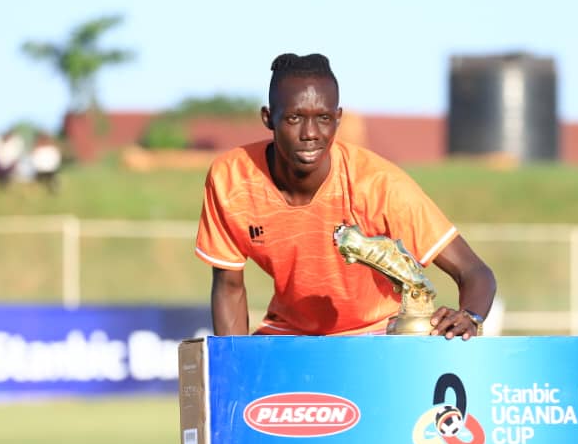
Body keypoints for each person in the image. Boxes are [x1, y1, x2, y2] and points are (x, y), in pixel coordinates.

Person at [193, 52, 496, 339]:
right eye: (294, 118)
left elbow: (475, 272)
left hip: (377, 332)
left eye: (323, 118)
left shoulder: (378, 184)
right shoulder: (230, 178)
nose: (310, 132)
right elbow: (229, 287)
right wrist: (230, 369)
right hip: (291, 333)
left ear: (338, 118)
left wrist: (470, 316)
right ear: (268, 118)